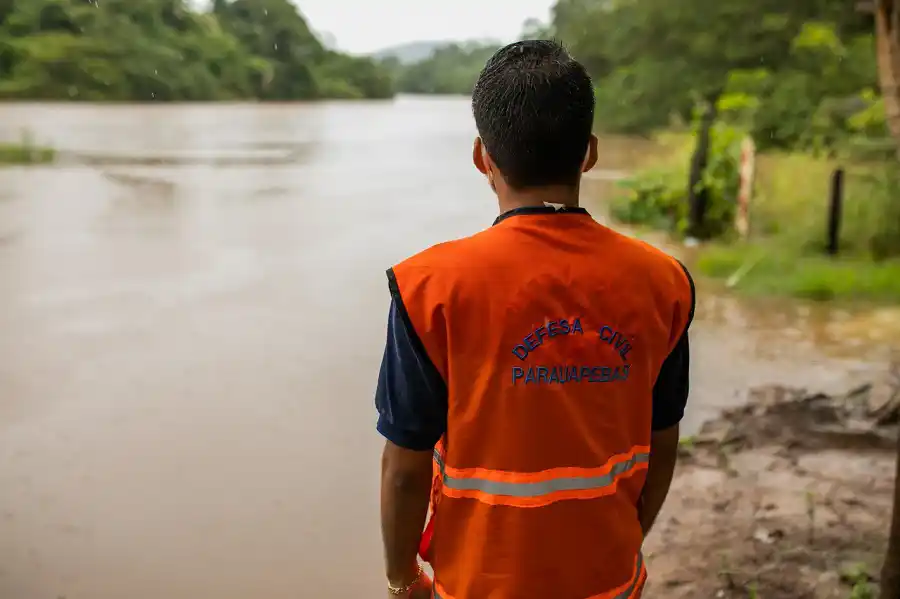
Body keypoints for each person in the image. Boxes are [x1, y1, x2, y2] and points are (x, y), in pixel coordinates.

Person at [375, 39, 695, 599]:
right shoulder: (663, 282)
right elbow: (663, 439)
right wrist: (626, 537)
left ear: (483, 158)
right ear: (589, 153)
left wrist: (404, 582)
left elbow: (405, 468)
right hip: (609, 581)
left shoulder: (429, 287)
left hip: (478, 584)